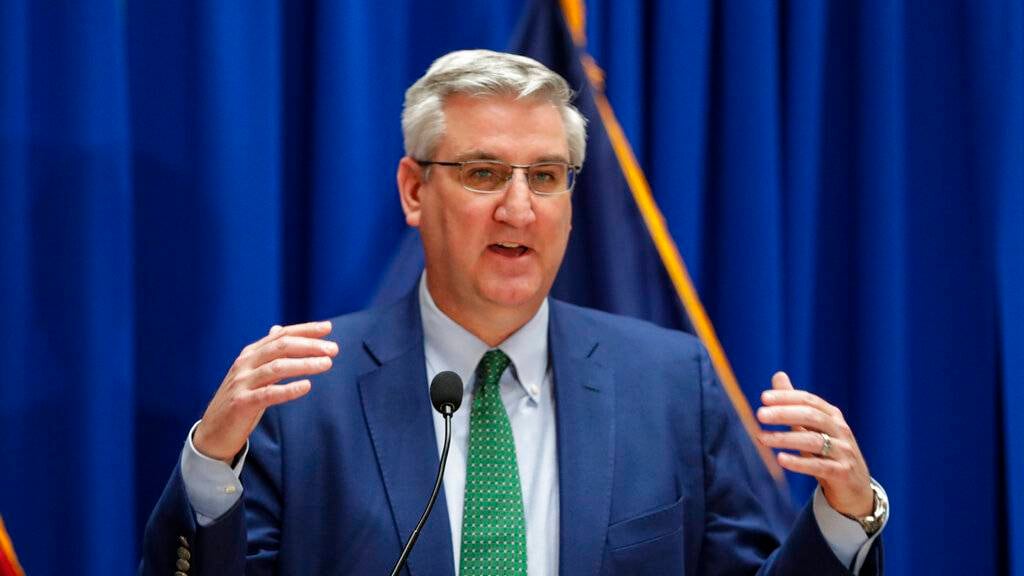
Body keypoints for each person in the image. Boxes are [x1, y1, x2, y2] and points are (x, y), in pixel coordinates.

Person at [139, 50, 887, 575]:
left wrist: (844, 515)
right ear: (414, 191)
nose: (520, 209)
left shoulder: (669, 385)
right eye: (483, 172)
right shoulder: (305, 394)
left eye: (547, 176)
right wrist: (210, 467)